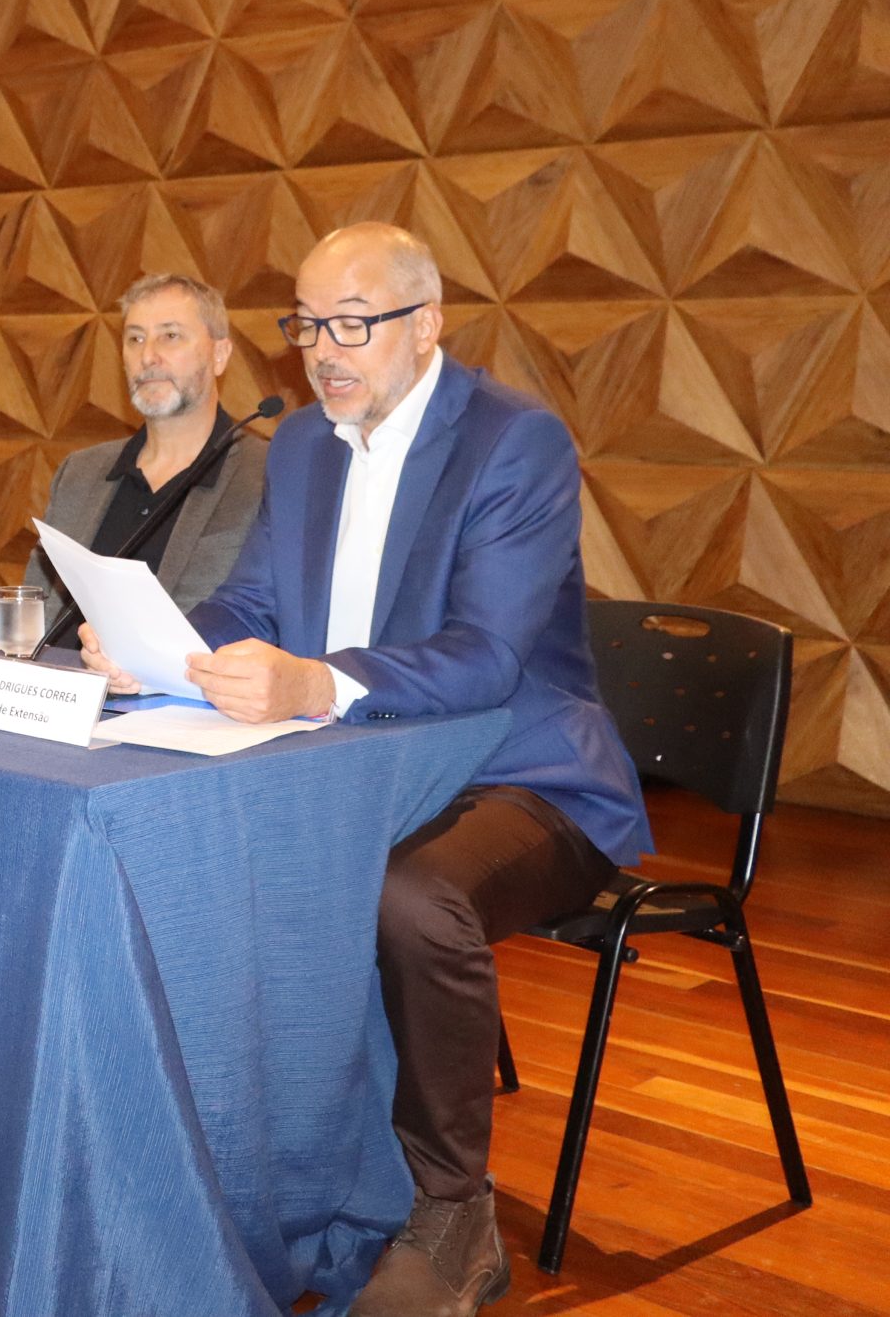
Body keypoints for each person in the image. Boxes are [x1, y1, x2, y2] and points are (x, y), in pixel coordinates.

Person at [78, 222, 650, 1317]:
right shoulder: (301, 443)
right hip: (355, 767)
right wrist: (160, 648)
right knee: (198, 845)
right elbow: (251, 600)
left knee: (408, 897)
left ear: (426, 323)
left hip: (523, 773)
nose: (322, 354)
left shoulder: (513, 441)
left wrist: (314, 682)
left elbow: (487, 656)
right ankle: (267, 1166)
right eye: (306, 327)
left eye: (352, 325)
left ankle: (452, 1211)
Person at [26, 272, 266, 625]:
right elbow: (32, 608)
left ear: (219, 354)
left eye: (170, 336)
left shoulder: (264, 476)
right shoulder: (79, 472)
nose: (148, 356)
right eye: (135, 338)